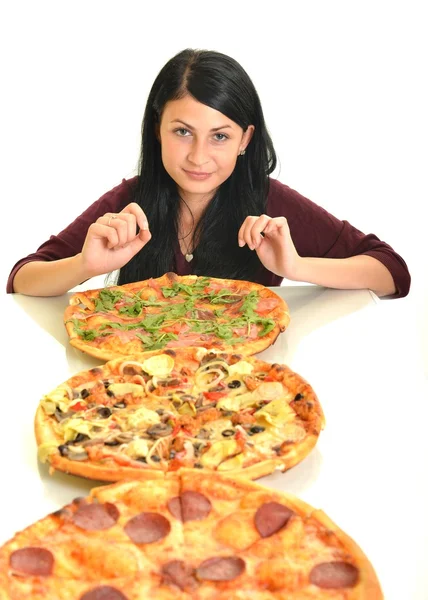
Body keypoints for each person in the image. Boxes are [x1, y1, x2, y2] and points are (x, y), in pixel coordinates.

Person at [7, 48, 410, 298]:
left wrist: (295, 267)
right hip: (143, 388)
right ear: (157, 130)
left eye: (219, 136)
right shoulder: (129, 200)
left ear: (245, 139)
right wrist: (86, 266)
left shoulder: (268, 200)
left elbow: (391, 272)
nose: (198, 157)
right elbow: (22, 279)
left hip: (243, 386)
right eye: (183, 132)